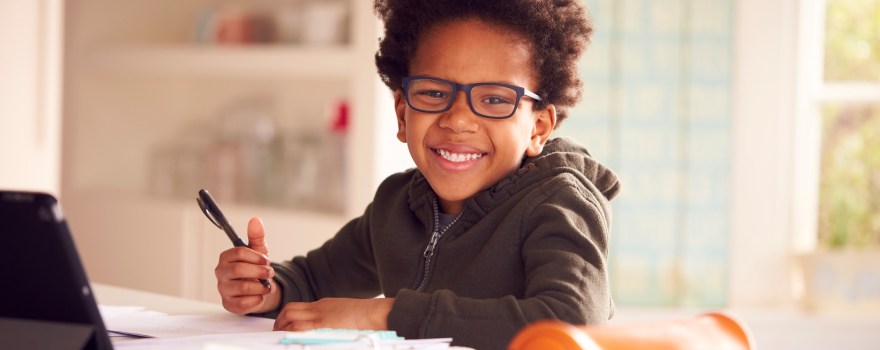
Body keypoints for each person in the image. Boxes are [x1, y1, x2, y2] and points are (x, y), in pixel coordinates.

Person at [214, 0, 621, 348]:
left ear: (538, 129)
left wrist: (384, 314)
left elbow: (570, 325)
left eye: (495, 99)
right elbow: (316, 277)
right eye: (433, 93)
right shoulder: (397, 205)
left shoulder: (558, 204)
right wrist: (265, 288)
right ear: (403, 113)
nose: (459, 119)